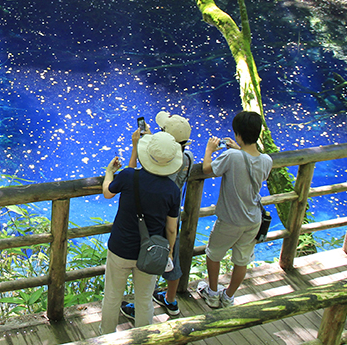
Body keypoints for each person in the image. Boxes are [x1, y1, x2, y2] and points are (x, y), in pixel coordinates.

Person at [100, 126, 180, 333]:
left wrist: (109, 172)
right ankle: (144, 338)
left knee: (111, 297)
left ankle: (106, 337)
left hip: (120, 248)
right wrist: (169, 251)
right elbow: (171, 229)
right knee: (144, 300)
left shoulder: (127, 177)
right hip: (151, 252)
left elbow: (108, 193)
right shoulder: (172, 190)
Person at [121, 111, 194, 320]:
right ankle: (170, 300)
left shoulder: (159, 163)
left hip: (152, 217)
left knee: (146, 260)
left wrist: (142, 145)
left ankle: (140, 308)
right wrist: (156, 140)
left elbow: (143, 171)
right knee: (172, 258)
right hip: (172, 215)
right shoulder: (188, 157)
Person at [196, 110, 272, 309]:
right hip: (253, 219)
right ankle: (228, 296)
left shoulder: (231, 156)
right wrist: (239, 149)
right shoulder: (266, 160)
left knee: (213, 254)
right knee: (242, 260)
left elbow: (207, 169)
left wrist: (209, 150)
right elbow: (253, 166)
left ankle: (212, 293)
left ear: (238, 134)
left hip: (230, 220)